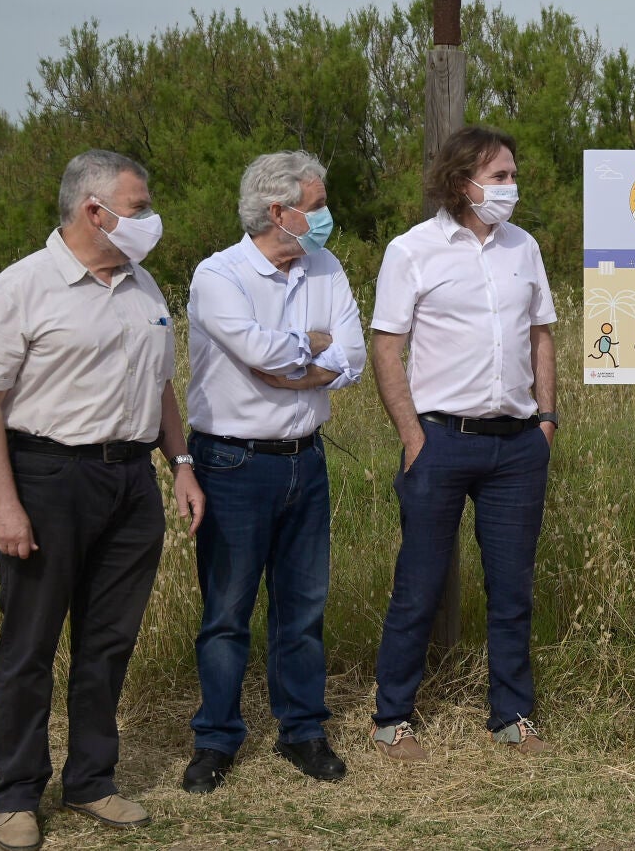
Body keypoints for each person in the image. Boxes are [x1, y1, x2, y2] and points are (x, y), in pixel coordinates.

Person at [0, 149, 204, 851]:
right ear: (94, 211)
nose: (151, 218)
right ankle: (16, 794)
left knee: (108, 641)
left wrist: (181, 464)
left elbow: (159, 385)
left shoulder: (143, 286)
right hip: (46, 478)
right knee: (31, 642)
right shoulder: (21, 288)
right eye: (139, 206)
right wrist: (5, 505)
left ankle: (92, 779)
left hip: (130, 481)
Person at [368, 125, 557, 760]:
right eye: (500, 176)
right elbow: (387, 349)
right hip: (440, 442)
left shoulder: (524, 247)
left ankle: (513, 715)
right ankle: (393, 718)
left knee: (512, 589)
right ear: (461, 181)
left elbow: (542, 334)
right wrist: (411, 436)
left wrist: (547, 420)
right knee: (419, 584)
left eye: (512, 175)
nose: (511, 186)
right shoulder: (412, 250)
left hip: (518, 446)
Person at [179, 150, 366, 793]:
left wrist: (300, 363)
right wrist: (313, 347)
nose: (326, 218)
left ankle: (302, 731)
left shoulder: (325, 266)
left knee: (303, 608)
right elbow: (259, 352)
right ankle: (216, 739)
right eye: (317, 207)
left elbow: (351, 355)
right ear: (278, 211)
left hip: (305, 458)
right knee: (227, 609)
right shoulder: (219, 275)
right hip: (232, 463)